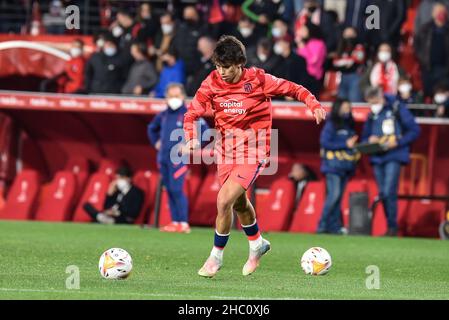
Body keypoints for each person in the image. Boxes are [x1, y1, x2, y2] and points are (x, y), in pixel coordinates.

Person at [182, 35, 326, 278]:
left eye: (226, 67)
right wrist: (190, 138)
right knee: (238, 203)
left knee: (223, 200)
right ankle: (257, 243)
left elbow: (294, 88)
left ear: (239, 64)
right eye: (218, 66)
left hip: (254, 149)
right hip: (225, 151)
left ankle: (215, 257)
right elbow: (191, 114)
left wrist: (313, 104)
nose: (222, 72)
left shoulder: (259, 80)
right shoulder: (212, 82)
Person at [147, 83, 208, 233]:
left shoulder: (190, 113)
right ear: (166, 97)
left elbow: (205, 132)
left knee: (177, 190)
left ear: (182, 96)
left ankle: (184, 223)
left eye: (177, 95)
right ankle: (175, 222)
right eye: (171, 96)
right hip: (163, 157)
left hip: (178, 158)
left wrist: (191, 146)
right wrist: (156, 142)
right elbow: (151, 129)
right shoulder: (163, 114)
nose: (174, 99)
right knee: (169, 190)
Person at [361, 87, 421, 236]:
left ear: (381, 96)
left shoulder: (396, 108)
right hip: (377, 156)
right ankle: (391, 227)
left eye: (374, 102)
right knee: (383, 193)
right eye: (370, 103)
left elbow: (414, 130)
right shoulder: (372, 115)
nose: (372, 105)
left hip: (394, 155)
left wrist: (399, 142)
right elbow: (364, 137)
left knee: (388, 191)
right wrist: (369, 140)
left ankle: (392, 227)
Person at [318, 98, 360, 235]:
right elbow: (324, 142)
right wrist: (345, 145)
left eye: (349, 107)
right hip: (333, 167)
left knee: (338, 198)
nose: (348, 110)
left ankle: (334, 227)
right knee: (334, 196)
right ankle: (322, 225)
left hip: (345, 167)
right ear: (339, 108)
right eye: (345, 107)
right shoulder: (332, 124)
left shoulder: (349, 125)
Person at [414, 2, 449, 99]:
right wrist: (423, 59)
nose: (439, 13)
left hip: (444, 69)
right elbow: (417, 45)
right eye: (437, 11)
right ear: (433, 13)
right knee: (428, 93)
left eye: (441, 11)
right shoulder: (425, 29)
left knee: (442, 95)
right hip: (428, 68)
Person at [332, 27, 365, 102]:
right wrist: (346, 62)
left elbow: (357, 60)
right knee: (341, 101)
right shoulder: (340, 46)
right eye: (346, 33)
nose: (348, 35)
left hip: (355, 76)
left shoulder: (359, 46)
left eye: (351, 33)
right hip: (342, 76)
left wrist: (343, 62)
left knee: (354, 100)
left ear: (355, 35)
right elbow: (335, 62)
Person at [296, 22, 327, 96]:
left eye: (304, 30)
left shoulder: (318, 43)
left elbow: (312, 61)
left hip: (312, 78)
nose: (300, 32)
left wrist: (302, 47)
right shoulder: (306, 43)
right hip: (303, 76)